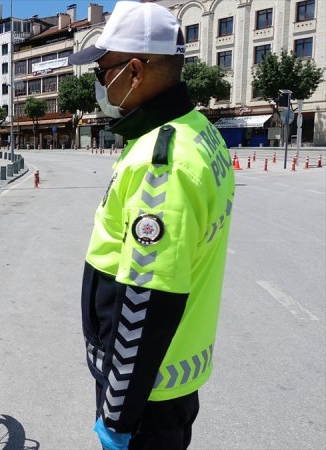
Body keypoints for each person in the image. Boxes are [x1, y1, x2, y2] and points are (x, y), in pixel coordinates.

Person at [68, 2, 235, 449]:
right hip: (170, 379)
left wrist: (119, 415)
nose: (102, 85)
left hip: (145, 393)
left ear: (135, 71)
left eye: (104, 73)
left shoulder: (161, 163)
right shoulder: (198, 130)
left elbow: (147, 298)